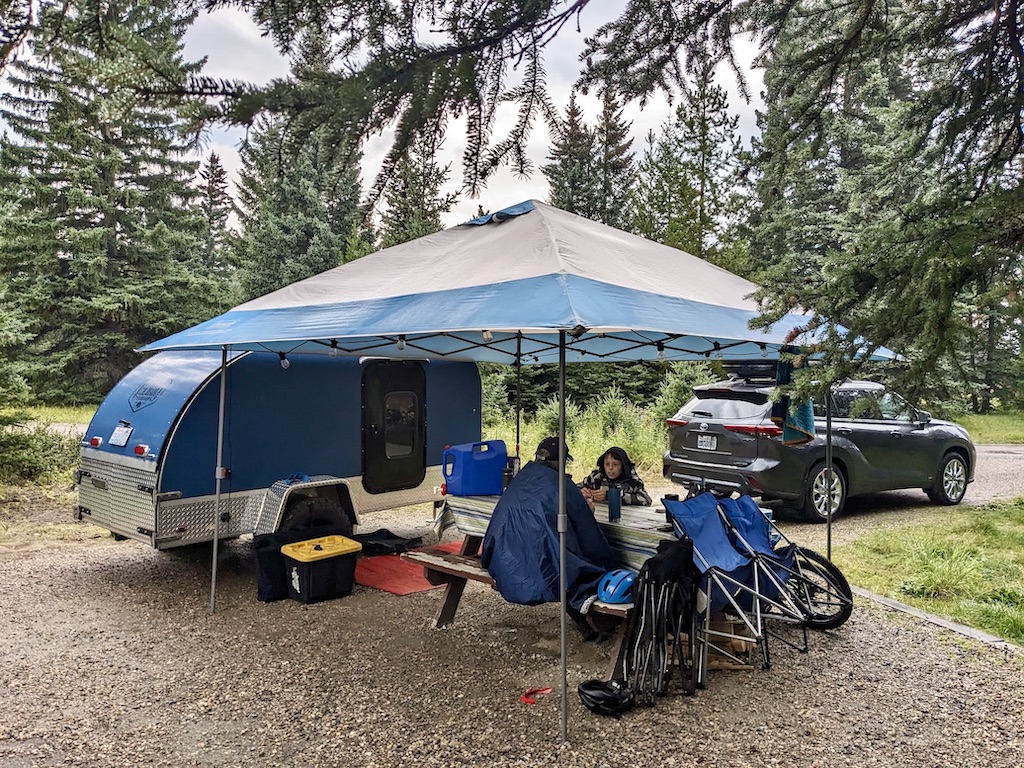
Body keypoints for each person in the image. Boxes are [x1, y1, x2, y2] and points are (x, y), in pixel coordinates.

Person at [480, 436, 620, 639]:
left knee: (559, 555)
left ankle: (588, 627)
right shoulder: (561, 486)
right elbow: (589, 536)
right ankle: (599, 623)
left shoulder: (520, 479)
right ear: (561, 461)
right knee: (574, 564)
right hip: (539, 570)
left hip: (503, 562)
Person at [579, 446, 652, 507]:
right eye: (607, 464)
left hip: (626, 518)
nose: (610, 468)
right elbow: (573, 488)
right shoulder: (595, 477)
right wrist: (581, 492)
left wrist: (611, 496)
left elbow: (646, 500)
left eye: (615, 464)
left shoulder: (633, 481)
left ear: (623, 466)